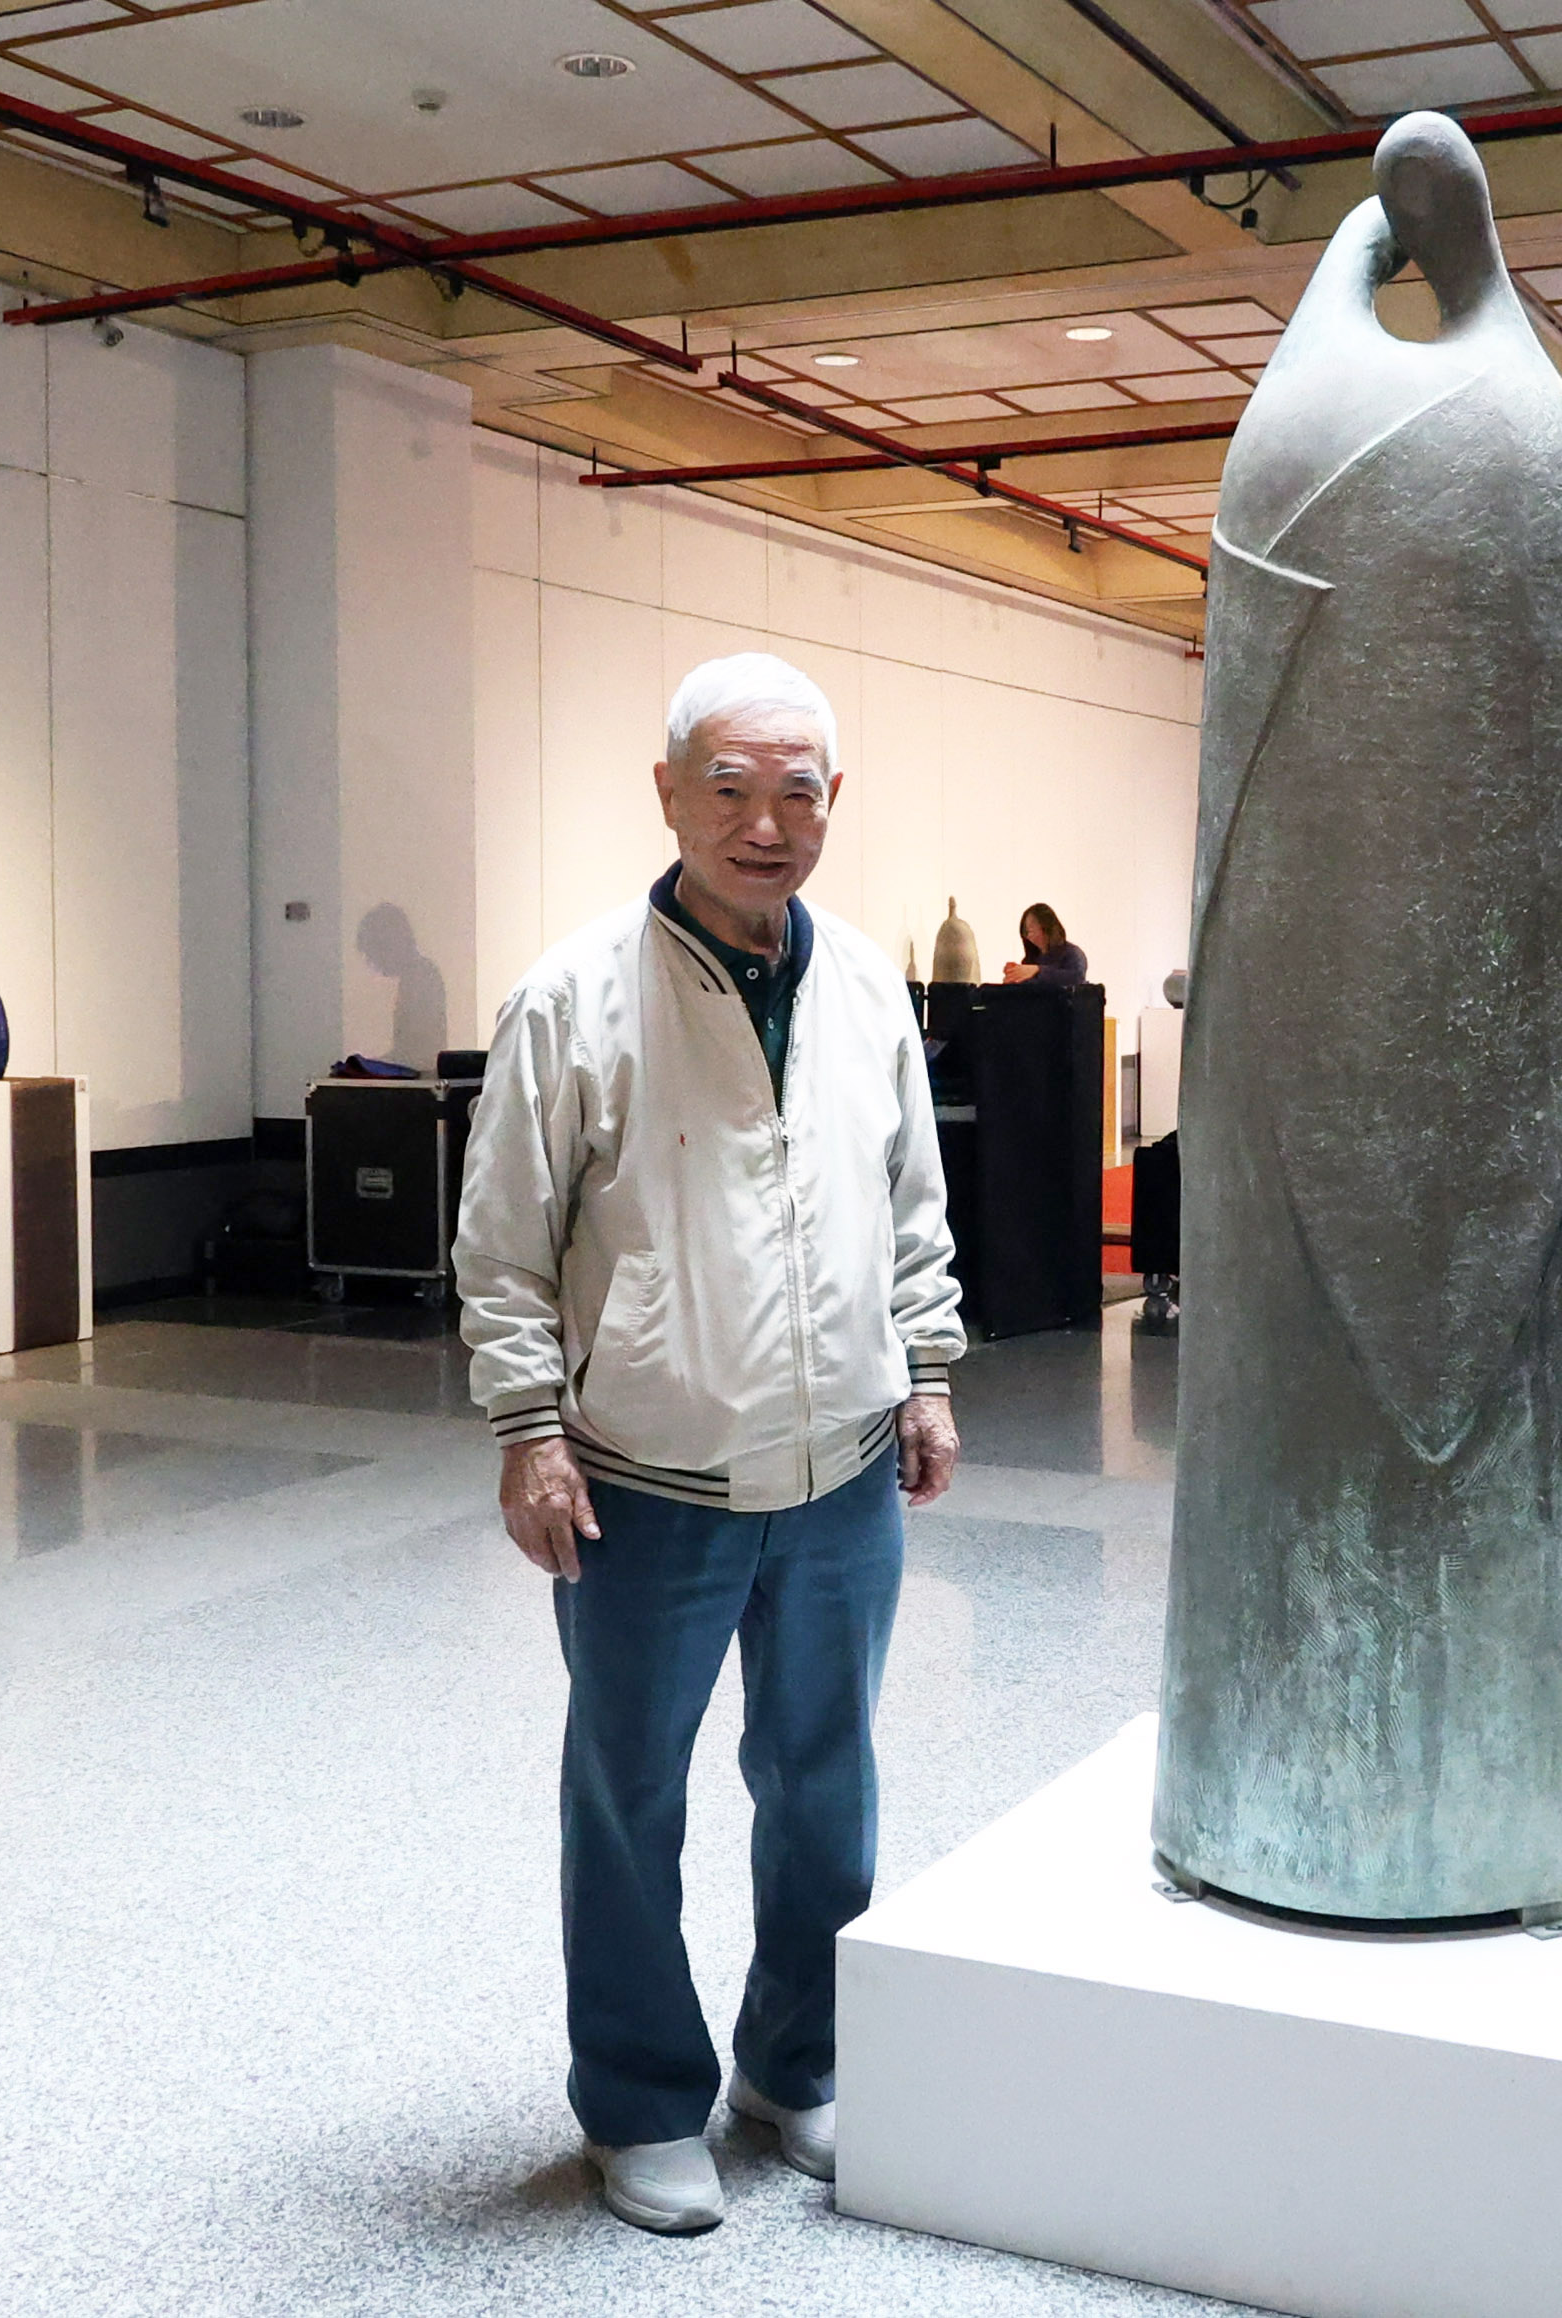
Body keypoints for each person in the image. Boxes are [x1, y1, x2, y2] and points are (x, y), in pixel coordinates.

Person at [453, 653, 967, 2238]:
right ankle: (637, 2097)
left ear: (833, 800)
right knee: (628, 1796)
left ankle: (795, 2064)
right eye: (728, 789)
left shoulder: (867, 985)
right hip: (642, 1480)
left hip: (838, 1473)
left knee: (824, 1786)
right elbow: (502, 1244)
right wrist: (529, 1428)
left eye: (795, 791)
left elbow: (908, 1204)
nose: (764, 823)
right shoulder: (572, 998)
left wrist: (924, 1373)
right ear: (668, 793)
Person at [1000, 903, 1088, 986]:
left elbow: (1076, 977)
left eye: (1032, 930)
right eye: (1026, 932)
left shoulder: (1072, 953)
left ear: (1047, 928)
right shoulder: (1031, 959)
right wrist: (1014, 978)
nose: (1029, 936)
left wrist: (1038, 970)